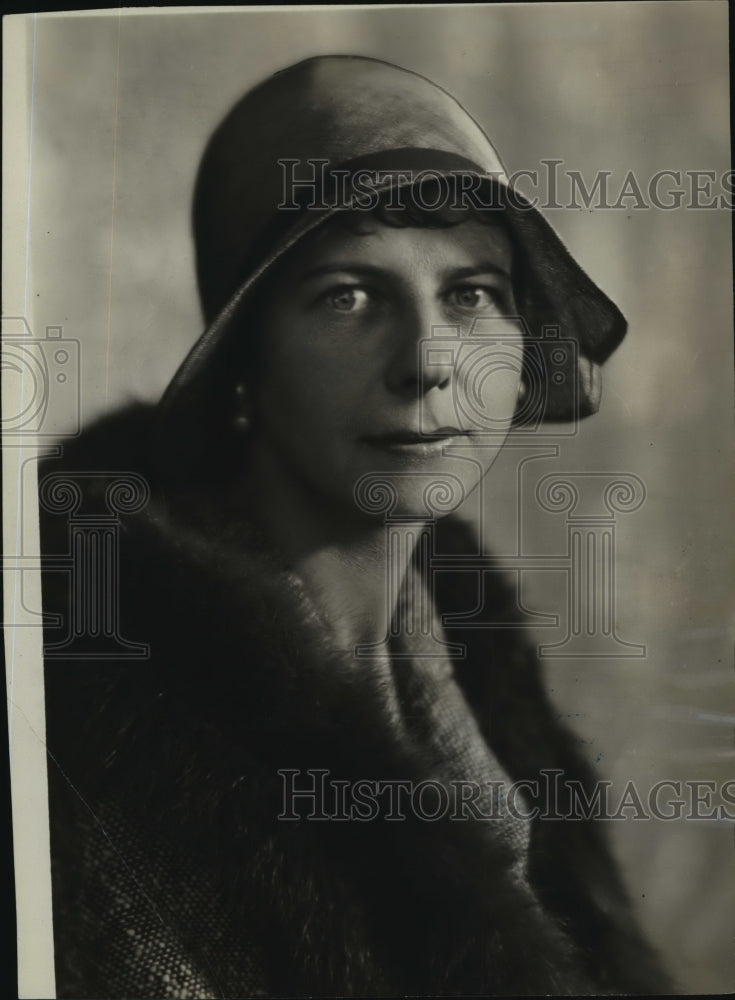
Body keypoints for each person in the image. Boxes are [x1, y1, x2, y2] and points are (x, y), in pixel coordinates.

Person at [40, 56, 672, 997]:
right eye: (348, 296)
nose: (427, 362)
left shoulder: (475, 653)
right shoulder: (98, 711)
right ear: (243, 358)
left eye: (470, 294)